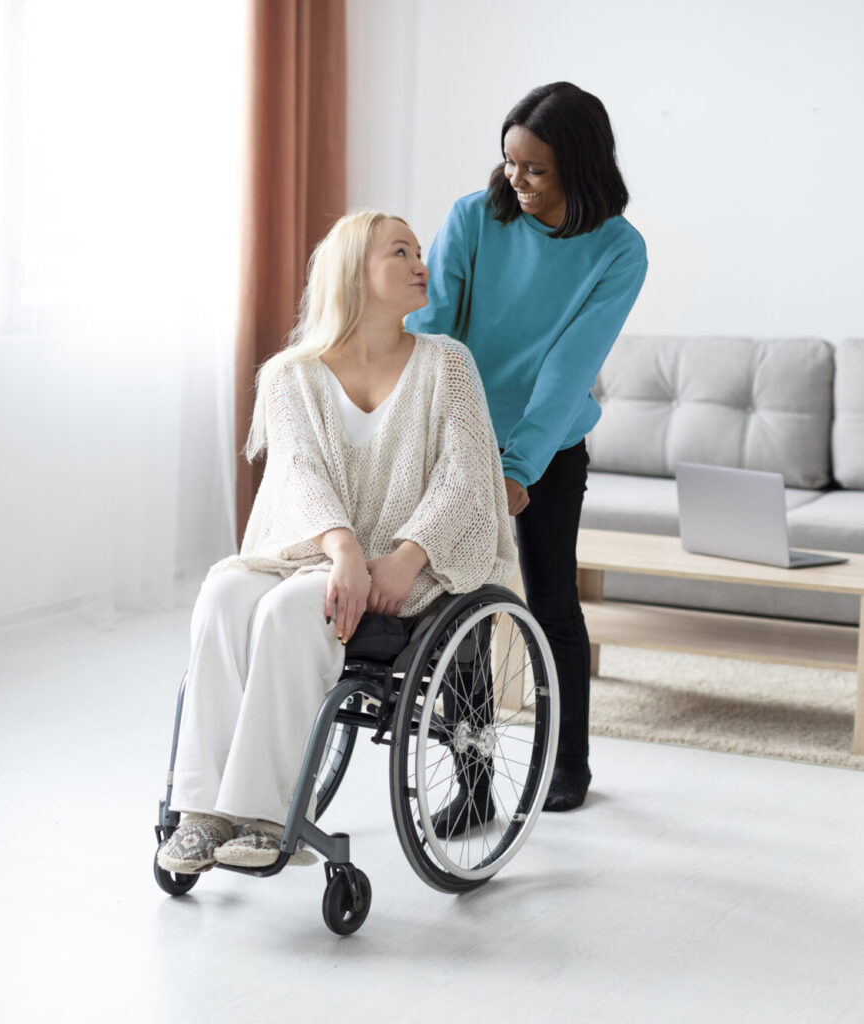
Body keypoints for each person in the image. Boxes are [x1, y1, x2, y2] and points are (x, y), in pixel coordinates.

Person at [157, 211, 516, 873]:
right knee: (225, 590)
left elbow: (465, 476)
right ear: (352, 271)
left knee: (293, 608)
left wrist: (405, 556)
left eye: (418, 252)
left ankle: (265, 817)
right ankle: (202, 812)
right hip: (314, 551)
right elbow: (297, 473)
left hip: (413, 570)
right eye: (400, 252)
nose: (421, 264)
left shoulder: (447, 365)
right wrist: (344, 551)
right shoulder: (290, 374)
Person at [406, 82, 647, 812]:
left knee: (550, 600)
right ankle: (474, 783)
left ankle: (567, 765)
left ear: (579, 164)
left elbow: (568, 369)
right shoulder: (474, 217)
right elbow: (431, 326)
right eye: (509, 161)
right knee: (460, 606)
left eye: (535, 168)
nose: (516, 179)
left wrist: (517, 469)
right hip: (459, 434)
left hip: (547, 446)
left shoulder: (617, 250)